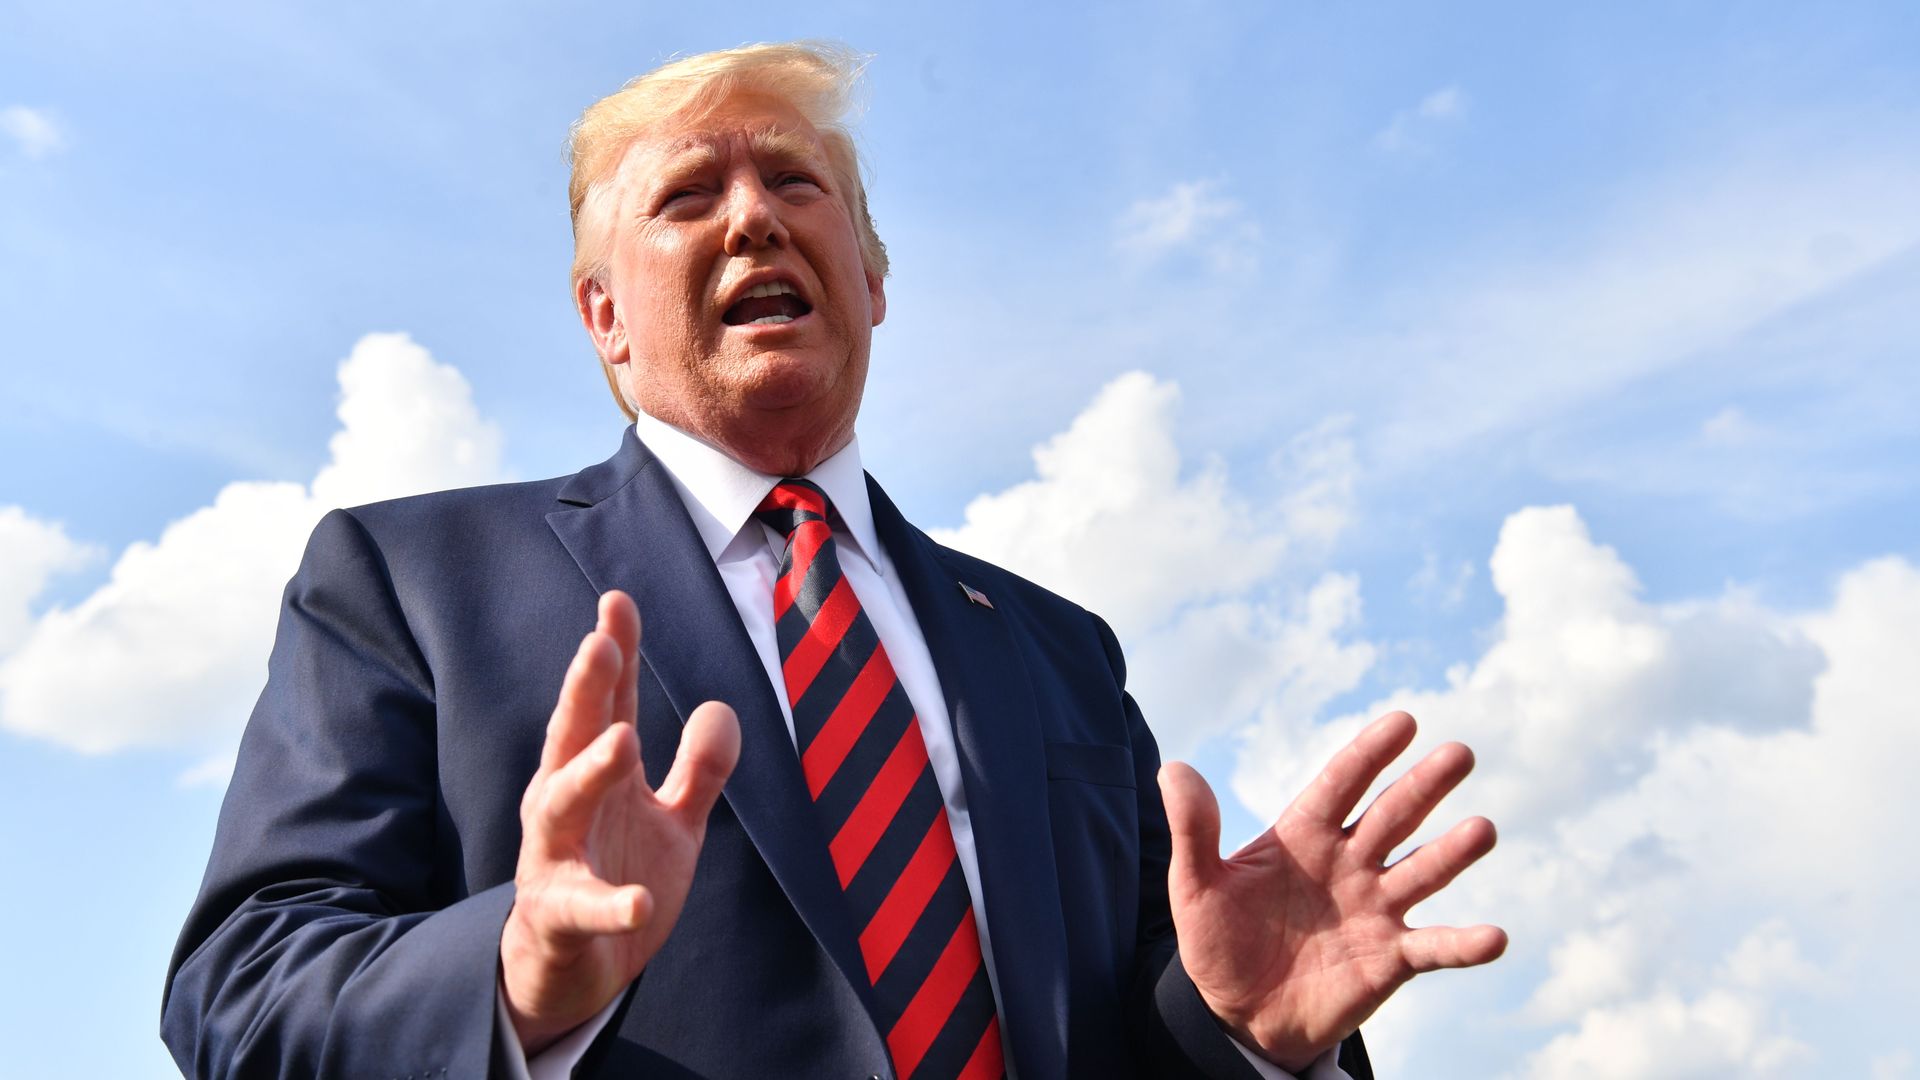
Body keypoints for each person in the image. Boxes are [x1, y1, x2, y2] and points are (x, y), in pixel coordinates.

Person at [162, 42, 1504, 1080]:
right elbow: (241, 995)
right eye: (689, 196)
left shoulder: (1057, 649)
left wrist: (1241, 1032)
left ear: (871, 279)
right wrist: (515, 973)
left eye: (794, 183)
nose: (753, 217)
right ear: (604, 316)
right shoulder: (410, 583)